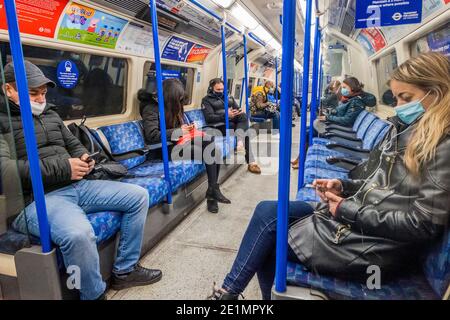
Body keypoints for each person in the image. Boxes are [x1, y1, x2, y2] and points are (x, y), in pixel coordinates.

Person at [208, 52, 450, 300]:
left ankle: (227, 295)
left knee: (270, 239)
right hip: (365, 222)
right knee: (267, 211)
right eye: (396, 98)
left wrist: (346, 209)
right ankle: (228, 294)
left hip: (376, 248)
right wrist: (343, 185)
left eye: (405, 98)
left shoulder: (441, 146)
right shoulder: (406, 131)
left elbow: (422, 223)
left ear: (438, 92)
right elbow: (379, 181)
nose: (399, 107)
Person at [0, 61, 162, 300]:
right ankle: (93, 295)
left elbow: (73, 144)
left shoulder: (50, 114)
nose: (39, 99)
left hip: (77, 185)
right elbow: (5, 171)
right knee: (78, 234)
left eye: (43, 93)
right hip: (38, 199)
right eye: (32, 93)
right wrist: (64, 168)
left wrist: (84, 157)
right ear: (8, 90)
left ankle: (125, 271)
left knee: (138, 196)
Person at [138, 78, 230, 214]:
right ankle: (212, 195)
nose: (180, 101)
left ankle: (213, 190)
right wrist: (179, 131)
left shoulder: (173, 105)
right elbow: (152, 135)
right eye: (178, 98)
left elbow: (174, 126)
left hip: (178, 142)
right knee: (211, 152)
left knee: (211, 146)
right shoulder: (151, 108)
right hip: (164, 149)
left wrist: (186, 128)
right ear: (170, 96)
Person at [201, 78, 261, 174]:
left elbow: (237, 108)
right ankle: (251, 162)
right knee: (245, 132)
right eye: (218, 90)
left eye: (222, 89)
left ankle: (240, 142)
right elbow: (209, 118)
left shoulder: (228, 97)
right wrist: (225, 115)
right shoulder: (206, 100)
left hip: (231, 122)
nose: (221, 91)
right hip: (218, 127)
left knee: (243, 116)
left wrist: (238, 111)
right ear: (211, 89)